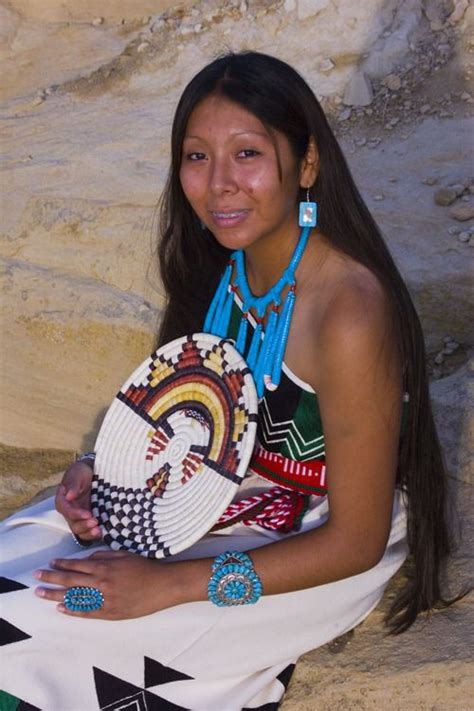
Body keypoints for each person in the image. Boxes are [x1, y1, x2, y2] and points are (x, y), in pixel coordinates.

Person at [0, 51, 456, 711]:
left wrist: (166, 585)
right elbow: (177, 419)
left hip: (309, 537)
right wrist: (103, 470)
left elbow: (354, 542)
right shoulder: (222, 263)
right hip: (204, 489)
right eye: (196, 156)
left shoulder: (349, 309)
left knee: (48, 623)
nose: (219, 185)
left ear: (305, 164)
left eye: (246, 154)